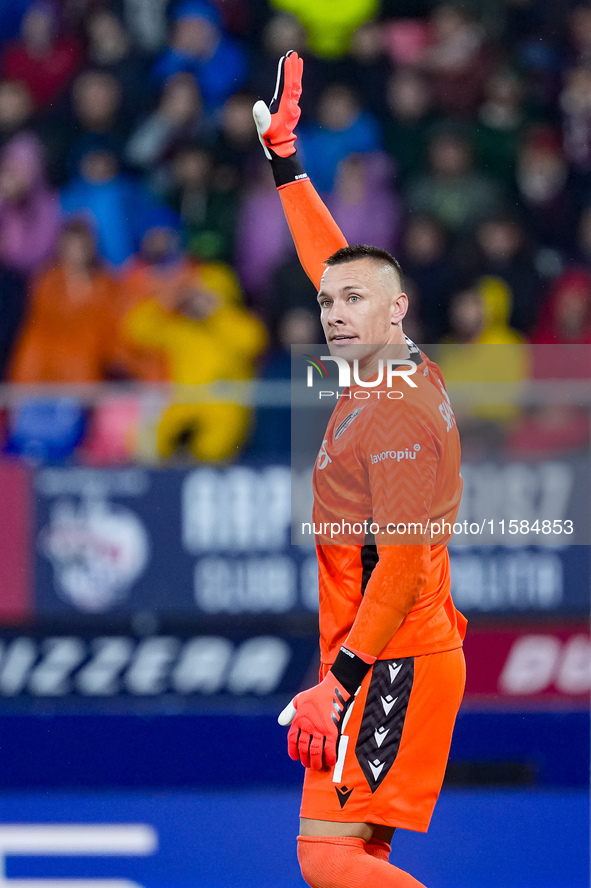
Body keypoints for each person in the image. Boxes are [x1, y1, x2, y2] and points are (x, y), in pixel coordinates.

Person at [253, 51, 466, 888]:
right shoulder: (391, 365)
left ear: (397, 310)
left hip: (394, 658)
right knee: (356, 856)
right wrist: (284, 162)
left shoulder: (395, 412)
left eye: (352, 304)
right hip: (392, 655)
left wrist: (336, 684)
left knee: (328, 855)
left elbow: (403, 561)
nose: (335, 314)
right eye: (327, 304)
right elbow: (337, 263)